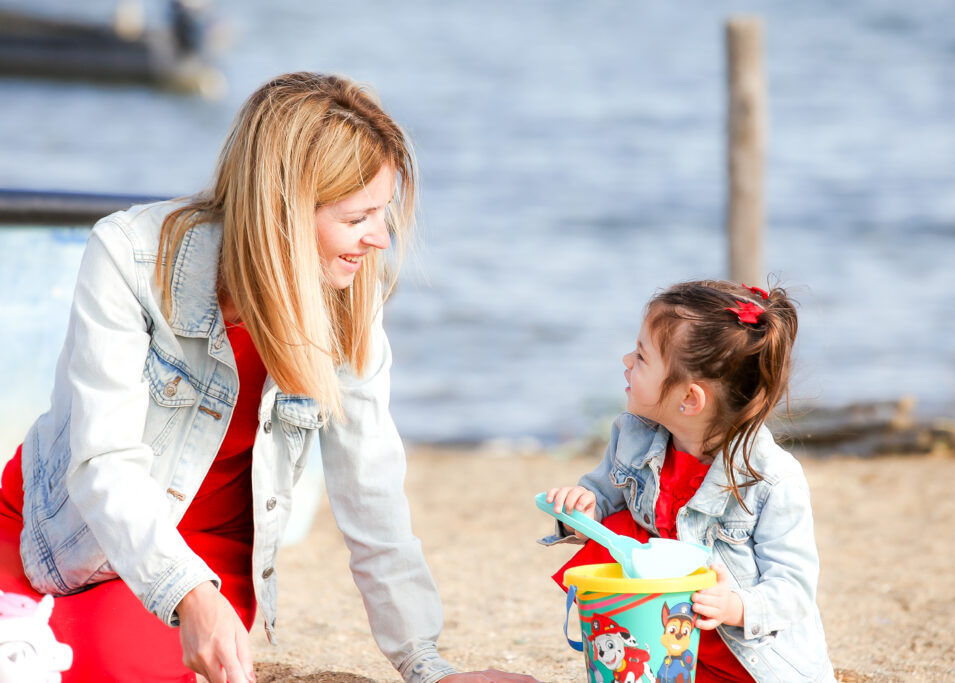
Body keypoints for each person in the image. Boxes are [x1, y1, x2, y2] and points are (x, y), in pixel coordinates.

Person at [0, 72, 537, 683]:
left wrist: (426, 665)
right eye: (359, 216)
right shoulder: (129, 255)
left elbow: (372, 491)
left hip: (203, 559)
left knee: (106, 668)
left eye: (382, 213)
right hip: (54, 527)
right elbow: (104, 464)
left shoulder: (350, 302)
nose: (380, 239)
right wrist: (187, 595)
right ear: (282, 209)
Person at [543, 280, 835, 682]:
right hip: (663, 643)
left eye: (642, 357)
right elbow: (602, 497)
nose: (626, 359)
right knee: (623, 530)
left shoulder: (771, 480)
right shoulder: (634, 437)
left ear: (689, 400)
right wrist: (581, 508)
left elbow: (794, 589)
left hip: (747, 661)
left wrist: (736, 606)